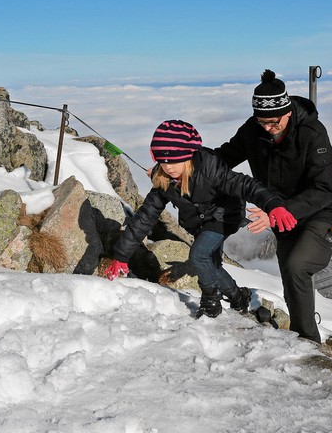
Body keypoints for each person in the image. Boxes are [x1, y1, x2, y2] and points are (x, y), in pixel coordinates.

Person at [103, 119, 298, 318]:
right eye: (163, 160)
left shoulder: (209, 168)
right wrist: (121, 255)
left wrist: (273, 204)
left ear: (188, 155)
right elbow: (145, 217)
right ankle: (238, 296)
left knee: (198, 255)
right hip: (198, 223)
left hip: (223, 217)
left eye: (175, 160)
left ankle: (210, 300)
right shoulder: (165, 181)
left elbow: (245, 184)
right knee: (210, 264)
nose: (169, 167)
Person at [215, 69, 332, 343]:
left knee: (297, 265)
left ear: (287, 112)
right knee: (289, 271)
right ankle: (302, 335)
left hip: (320, 211)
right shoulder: (254, 130)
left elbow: (324, 188)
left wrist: (283, 211)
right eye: (262, 122)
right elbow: (225, 156)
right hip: (278, 211)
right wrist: (185, 163)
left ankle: (309, 343)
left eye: (274, 122)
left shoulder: (312, 133)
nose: (268, 128)